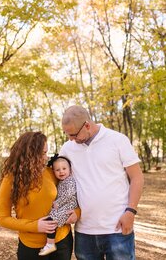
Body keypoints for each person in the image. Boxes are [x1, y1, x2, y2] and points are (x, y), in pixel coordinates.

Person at [60, 105, 144, 260]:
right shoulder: (67, 149)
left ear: (87, 125)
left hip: (117, 229)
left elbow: (137, 177)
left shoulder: (117, 140)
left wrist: (130, 212)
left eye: (73, 134)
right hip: (84, 231)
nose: (70, 139)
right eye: (67, 134)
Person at [0, 132, 79, 260]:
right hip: (31, 247)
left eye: (46, 152)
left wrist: (77, 213)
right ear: (29, 155)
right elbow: (2, 218)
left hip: (61, 241)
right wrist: (35, 226)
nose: (46, 158)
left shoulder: (52, 172)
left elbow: (71, 195)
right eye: (42, 154)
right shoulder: (10, 179)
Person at [39, 154, 78, 256]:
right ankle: (50, 243)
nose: (61, 171)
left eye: (64, 168)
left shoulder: (69, 181)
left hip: (68, 207)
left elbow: (68, 195)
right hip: (64, 206)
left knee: (50, 221)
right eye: (57, 170)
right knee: (50, 220)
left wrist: (57, 202)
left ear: (70, 170)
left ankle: (50, 244)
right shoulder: (61, 181)